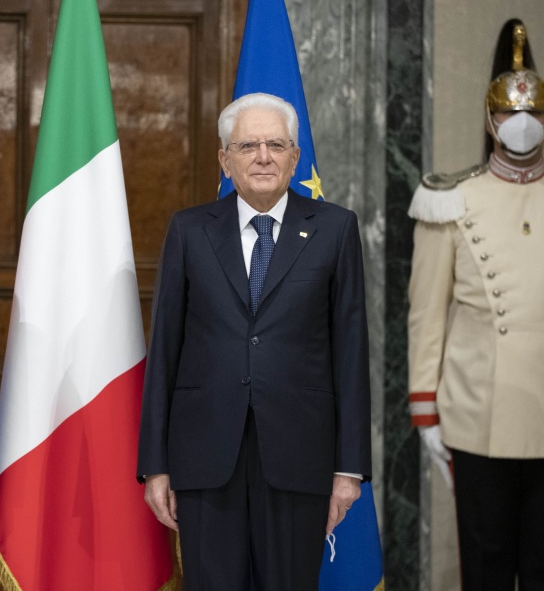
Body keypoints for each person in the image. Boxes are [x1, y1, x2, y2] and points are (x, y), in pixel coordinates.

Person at [138, 92, 371, 589]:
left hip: (300, 456)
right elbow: (165, 354)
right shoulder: (189, 230)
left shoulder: (334, 229)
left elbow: (351, 354)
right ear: (225, 159)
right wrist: (155, 466)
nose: (263, 156)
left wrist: (349, 469)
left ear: (294, 156)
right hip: (205, 458)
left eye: (275, 145)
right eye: (247, 146)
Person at [408, 19, 544, 589]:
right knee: (486, 568)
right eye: (507, 114)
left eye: (534, 114)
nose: (521, 125)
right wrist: (425, 409)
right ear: (489, 119)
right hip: (476, 419)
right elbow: (426, 315)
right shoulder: (450, 200)